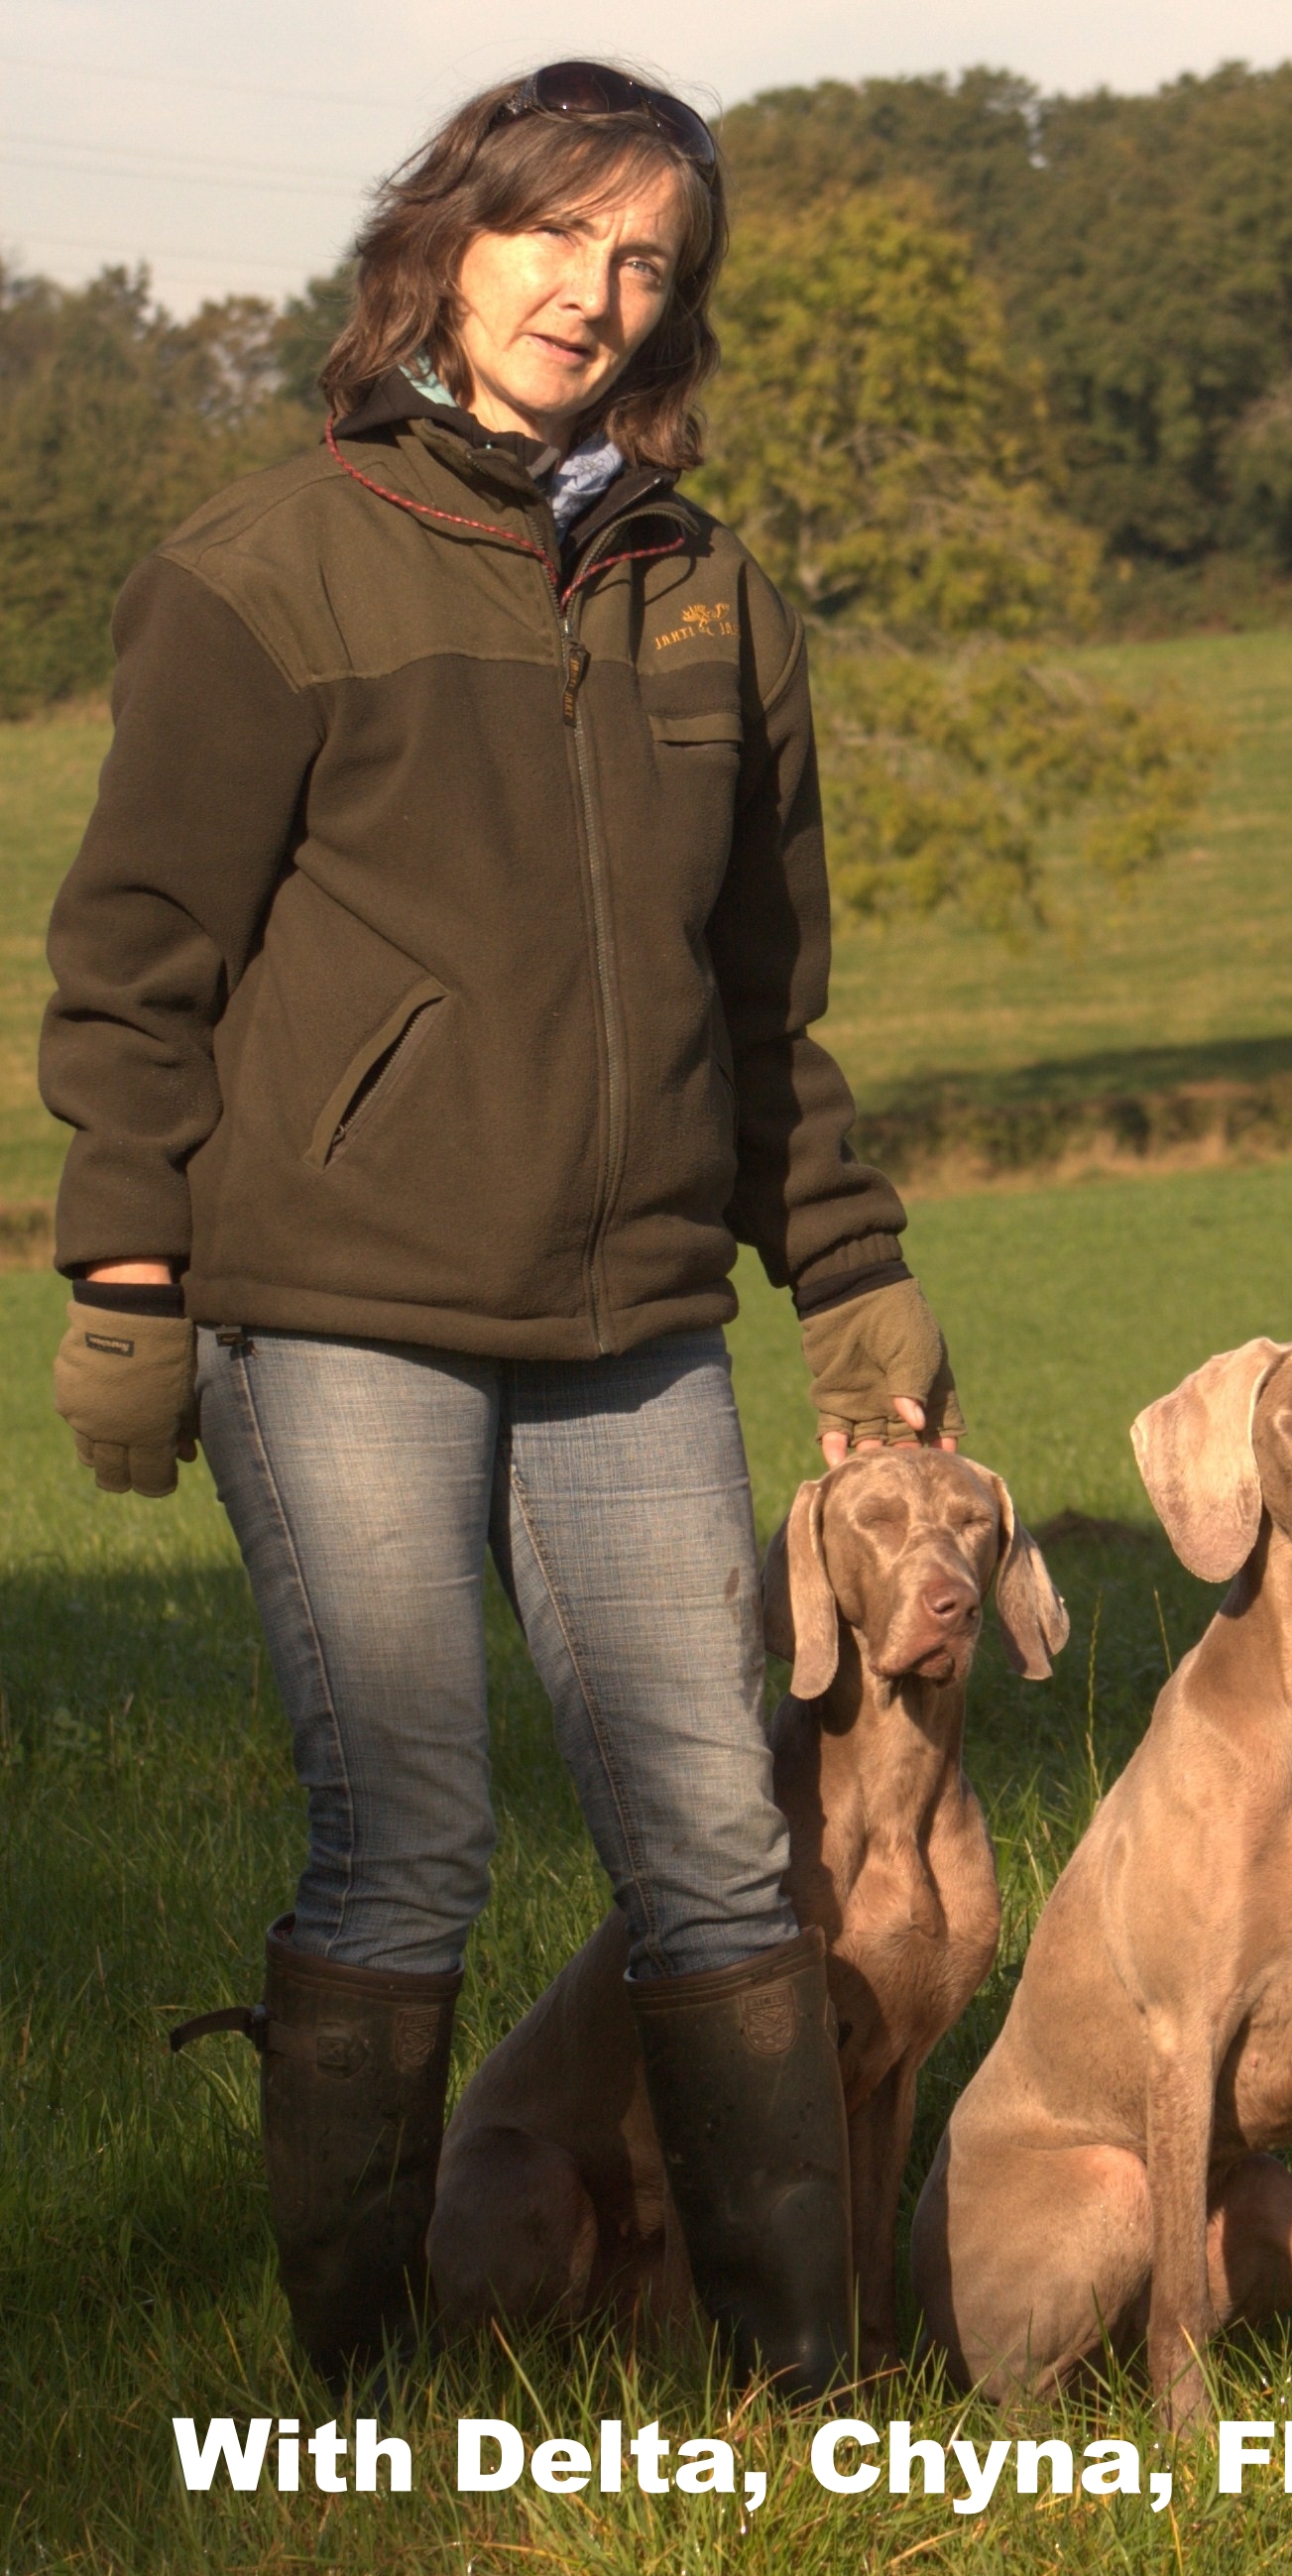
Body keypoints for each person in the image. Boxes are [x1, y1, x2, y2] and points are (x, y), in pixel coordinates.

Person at [39, 61, 958, 2396]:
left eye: (648, 258)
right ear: (451, 242)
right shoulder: (265, 571)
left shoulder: (708, 592)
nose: (596, 289)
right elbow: (136, 957)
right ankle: (360, 2385)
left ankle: (800, 2383)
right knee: (409, 1838)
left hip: (636, 1315)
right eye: (559, 234)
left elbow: (765, 998)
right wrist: (127, 1276)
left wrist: (845, 1270)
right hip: (334, 1305)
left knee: (721, 1844)